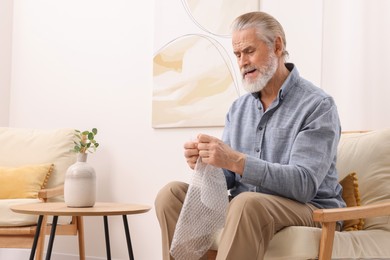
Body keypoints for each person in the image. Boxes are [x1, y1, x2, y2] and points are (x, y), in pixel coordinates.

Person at [155, 11, 345, 260]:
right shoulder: (239, 108)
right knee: (170, 195)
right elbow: (230, 177)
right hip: (248, 207)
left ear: (277, 46)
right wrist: (208, 164)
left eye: (249, 51)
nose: (242, 61)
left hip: (310, 209)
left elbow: (304, 185)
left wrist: (235, 160)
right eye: (237, 54)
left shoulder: (317, 105)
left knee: (246, 202)